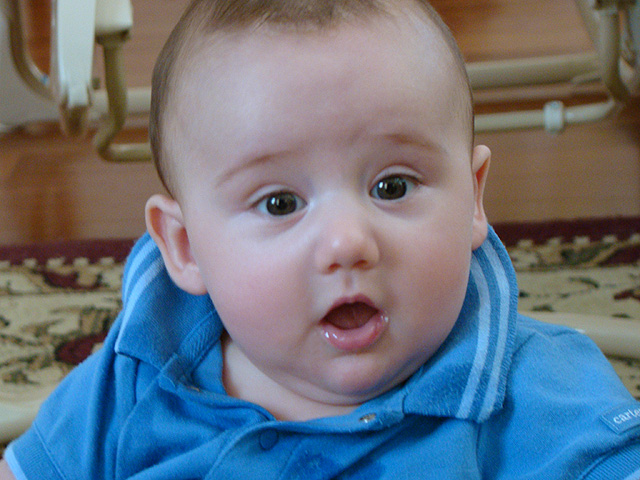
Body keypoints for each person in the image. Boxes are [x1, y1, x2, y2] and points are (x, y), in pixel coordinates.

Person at [2, 0, 640, 478]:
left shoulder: (540, 397)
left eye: (392, 186)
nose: (347, 243)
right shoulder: (139, 367)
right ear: (186, 247)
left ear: (473, 200)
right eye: (280, 203)